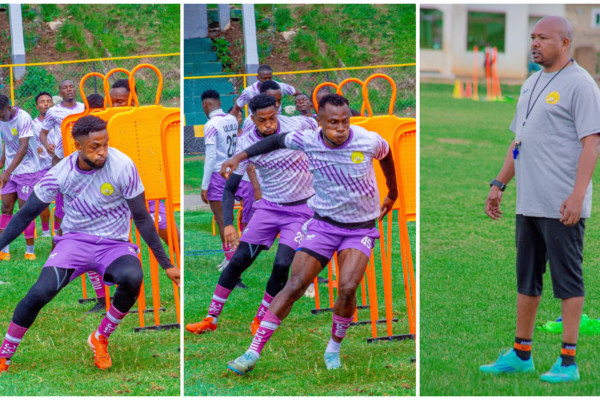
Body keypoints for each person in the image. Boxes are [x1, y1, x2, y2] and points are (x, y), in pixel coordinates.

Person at [222, 94, 397, 375]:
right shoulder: (307, 139)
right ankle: (252, 352)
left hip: (359, 228)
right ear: (320, 121)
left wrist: (392, 192)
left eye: (345, 121)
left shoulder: (367, 140)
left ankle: (333, 349)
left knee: (347, 288)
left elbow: (386, 155)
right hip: (323, 225)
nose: (341, 128)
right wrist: (240, 156)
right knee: (295, 284)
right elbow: (274, 142)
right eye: (333, 122)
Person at [0, 115, 180, 373]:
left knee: (133, 278)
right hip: (74, 242)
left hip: (115, 244)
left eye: (105, 144)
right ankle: (4, 355)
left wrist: (167, 264)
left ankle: (100, 337)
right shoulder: (60, 173)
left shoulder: (123, 165)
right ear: (78, 146)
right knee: (39, 293)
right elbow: (26, 214)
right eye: (95, 147)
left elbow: (141, 217)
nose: (102, 151)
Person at [481, 16, 600, 383]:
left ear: (564, 43)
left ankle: (568, 362)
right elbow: (519, 139)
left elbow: (592, 142)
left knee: (567, 280)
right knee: (527, 278)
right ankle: (521, 354)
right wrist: (499, 183)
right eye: (533, 37)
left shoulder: (581, 84)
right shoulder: (532, 83)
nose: (535, 43)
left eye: (543, 38)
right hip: (529, 202)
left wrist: (577, 195)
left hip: (562, 203)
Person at [185, 93, 318, 337]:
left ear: (277, 112)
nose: (269, 124)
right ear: (252, 119)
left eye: (272, 118)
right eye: (262, 120)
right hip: (269, 208)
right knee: (238, 260)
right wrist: (227, 224)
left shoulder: (297, 126)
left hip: (300, 210)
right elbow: (229, 188)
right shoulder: (245, 143)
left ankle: (261, 318)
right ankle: (211, 318)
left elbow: (319, 126)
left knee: (282, 264)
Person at [200, 90, 259, 278]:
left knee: (223, 219)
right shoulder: (232, 120)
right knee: (234, 216)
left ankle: (230, 260)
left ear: (205, 104)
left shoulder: (211, 125)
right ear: (219, 101)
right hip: (235, 171)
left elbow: (210, 157)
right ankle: (234, 256)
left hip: (219, 173)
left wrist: (204, 185)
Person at [39, 80, 85, 235]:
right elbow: (43, 133)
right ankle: (61, 231)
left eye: (71, 87)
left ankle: (82, 227)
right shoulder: (53, 112)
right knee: (63, 192)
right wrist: (47, 145)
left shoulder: (83, 108)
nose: (69, 89)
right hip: (62, 158)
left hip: (82, 156)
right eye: (65, 88)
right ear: (60, 93)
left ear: (76, 91)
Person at [0, 95, 41, 261]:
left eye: (1, 115)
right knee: (6, 208)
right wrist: (2, 162)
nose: (1, 119)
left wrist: (7, 172)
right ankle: (4, 249)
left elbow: (23, 147)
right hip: (10, 170)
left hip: (27, 171)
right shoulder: (1, 118)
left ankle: (30, 250)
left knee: (25, 211)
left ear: (8, 108)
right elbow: (7, 141)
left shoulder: (24, 118)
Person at [230, 65, 299, 116]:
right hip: (256, 124)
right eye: (264, 78)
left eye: (269, 78)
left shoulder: (279, 87)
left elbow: (299, 93)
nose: (267, 81)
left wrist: (296, 107)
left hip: (277, 121)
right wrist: (235, 126)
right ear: (258, 77)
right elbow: (236, 107)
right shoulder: (249, 91)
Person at [32, 92, 54, 238]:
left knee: (61, 200)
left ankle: (57, 228)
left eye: (48, 101)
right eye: (42, 101)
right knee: (43, 200)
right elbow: (26, 144)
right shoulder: (33, 125)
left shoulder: (58, 121)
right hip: (41, 168)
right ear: (37, 106)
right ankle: (46, 230)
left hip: (58, 165)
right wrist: (36, 149)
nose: (46, 104)